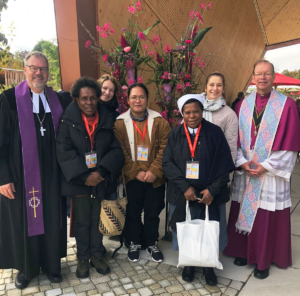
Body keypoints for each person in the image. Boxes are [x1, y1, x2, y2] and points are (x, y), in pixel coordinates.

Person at [224, 60, 300, 279]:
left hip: (269, 173)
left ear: (274, 76)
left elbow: (291, 144)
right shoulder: (242, 105)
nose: (263, 78)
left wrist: (266, 167)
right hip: (248, 170)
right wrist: (242, 162)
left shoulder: (287, 105)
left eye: (267, 74)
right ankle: (242, 250)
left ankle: (263, 259)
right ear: (253, 77)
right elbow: (234, 140)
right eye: (259, 74)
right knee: (242, 209)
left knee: (266, 215)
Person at [0, 51, 69, 289]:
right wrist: (4, 177)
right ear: (25, 69)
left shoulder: (58, 100)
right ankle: (26, 268)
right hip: (21, 175)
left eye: (43, 69)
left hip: (51, 175)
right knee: (24, 221)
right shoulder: (8, 99)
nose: (39, 73)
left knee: (51, 218)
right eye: (34, 68)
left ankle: (51, 265)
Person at [162, 94, 235, 285]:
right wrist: (185, 187)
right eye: (188, 112)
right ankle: (189, 263)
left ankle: (209, 266)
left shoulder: (214, 132)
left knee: (209, 228)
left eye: (196, 111)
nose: (192, 115)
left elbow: (225, 164)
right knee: (188, 229)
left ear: (202, 112)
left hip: (209, 194)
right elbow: (167, 163)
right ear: (182, 114)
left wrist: (212, 190)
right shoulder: (175, 134)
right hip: (184, 193)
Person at [56, 77, 125, 278]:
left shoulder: (107, 119)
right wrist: (85, 176)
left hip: (100, 179)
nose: (89, 102)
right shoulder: (67, 122)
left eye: (92, 98)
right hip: (79, 182)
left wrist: (101, 172)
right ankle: (83, 259)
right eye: (84, 98)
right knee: (82, 222)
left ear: (97, 99)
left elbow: (116, 149)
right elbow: (63, 151)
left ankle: (96, 255)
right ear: (77, 99)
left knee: (97, 219)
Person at [114, 83, 171, 263]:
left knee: (153, 212)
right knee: (133, 212)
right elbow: (120, 150)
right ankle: (134, 242)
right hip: (132, 178)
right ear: (128, 100)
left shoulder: (159, 121)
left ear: (147, 99)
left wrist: (154, 170)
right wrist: (136, 172)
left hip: (155, 178)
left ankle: (152, 242)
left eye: (141, 97)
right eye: (133, 97)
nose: (137, 100)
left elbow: (166, 147)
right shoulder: (120, 122)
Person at [199, 72, 238, 253]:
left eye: (219, 85)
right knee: (195, 216)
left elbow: (231, 148)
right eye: (211, 84)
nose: (215, 89)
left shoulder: (229, 114)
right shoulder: (194, 107)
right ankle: (193, 253)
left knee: (216, 216)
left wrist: (227, 178)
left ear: (223, 88)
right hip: (194, 171)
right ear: (205, 87)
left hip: (216, 174)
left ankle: (212, 255)